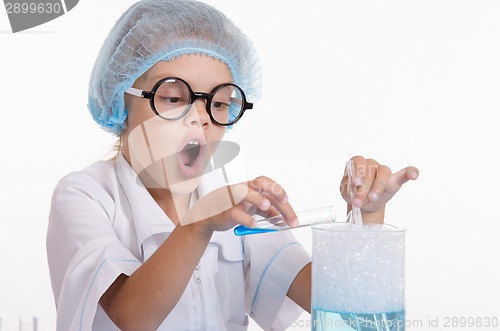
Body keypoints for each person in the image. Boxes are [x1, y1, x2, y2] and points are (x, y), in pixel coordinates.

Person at [46, 0, 419, 330]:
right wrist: (199, 225)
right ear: (119, 100)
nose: (201, 118)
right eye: (174, 97)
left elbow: (341, 306)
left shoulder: (231, 204)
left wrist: (367, 214)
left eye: (220, 103)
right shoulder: (85, 196)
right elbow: (131, 318)